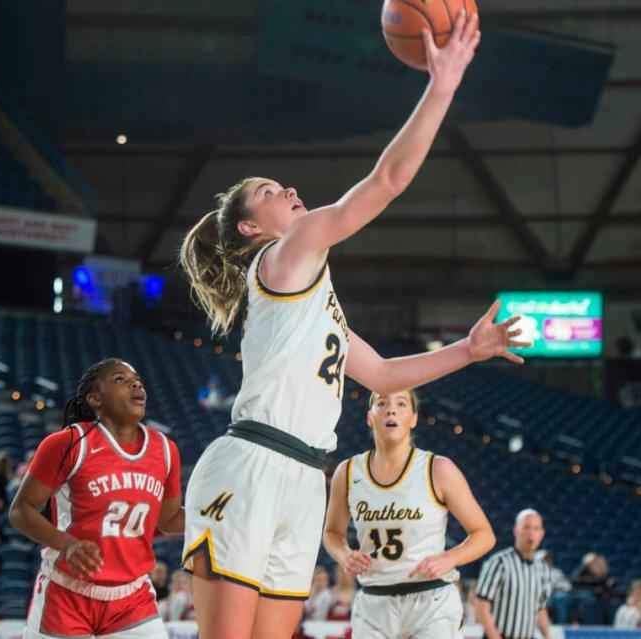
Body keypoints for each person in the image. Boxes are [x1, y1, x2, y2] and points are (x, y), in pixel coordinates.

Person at [177, 13, 523, 639]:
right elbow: (387, 181)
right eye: (269, 190)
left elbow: (386, 374)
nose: (288, 188)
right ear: (253, 228)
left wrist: (469, 351)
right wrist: (441, 84)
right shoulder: (282, 255)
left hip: (307, 477)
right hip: (253, 462)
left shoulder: (314, 298)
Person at [9, 358, 184, 639]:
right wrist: (67, 544)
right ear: (95, 399)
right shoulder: (68, 444)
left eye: (137, 379)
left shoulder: (165, 450)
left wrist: (218, 516)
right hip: (67, 593)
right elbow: (20, 510)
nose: (136, 384)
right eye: (120, 380)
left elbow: (170, 519)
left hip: (131, 596)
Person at [322, 389, 495, 638]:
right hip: (374, 600)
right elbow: (332, 532)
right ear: (369, 417)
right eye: (382, 403)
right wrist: (344, 554)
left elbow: (484, 534)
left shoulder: (439, 469)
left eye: (401, 404)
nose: (391, 409)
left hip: (430, 600)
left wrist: (449, 558)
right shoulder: (347, 472)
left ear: (413, 418)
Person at [475, 509, 552, 639]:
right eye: (527, 527)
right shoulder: (499, 563)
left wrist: (547, 635)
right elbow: (481, 606)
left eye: (536, 528)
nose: (531, 533)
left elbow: (541, 609)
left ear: (542, 533)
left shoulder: (543, 569)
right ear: (516, 530)